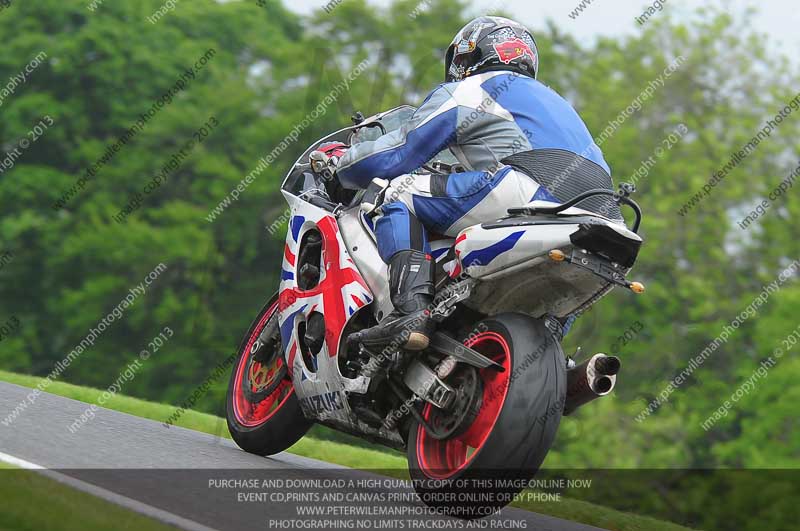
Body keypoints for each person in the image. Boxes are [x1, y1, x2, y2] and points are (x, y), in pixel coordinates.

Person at [335, 16, 619, 351]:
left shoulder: (472, 89)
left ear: (468, 54)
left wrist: (342, 166)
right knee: (563, 282)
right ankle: (549, 351)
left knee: (396, 191)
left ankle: (411, 311)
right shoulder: (559, 104)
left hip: (531, 188)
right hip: (607, 216)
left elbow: (398, 154)